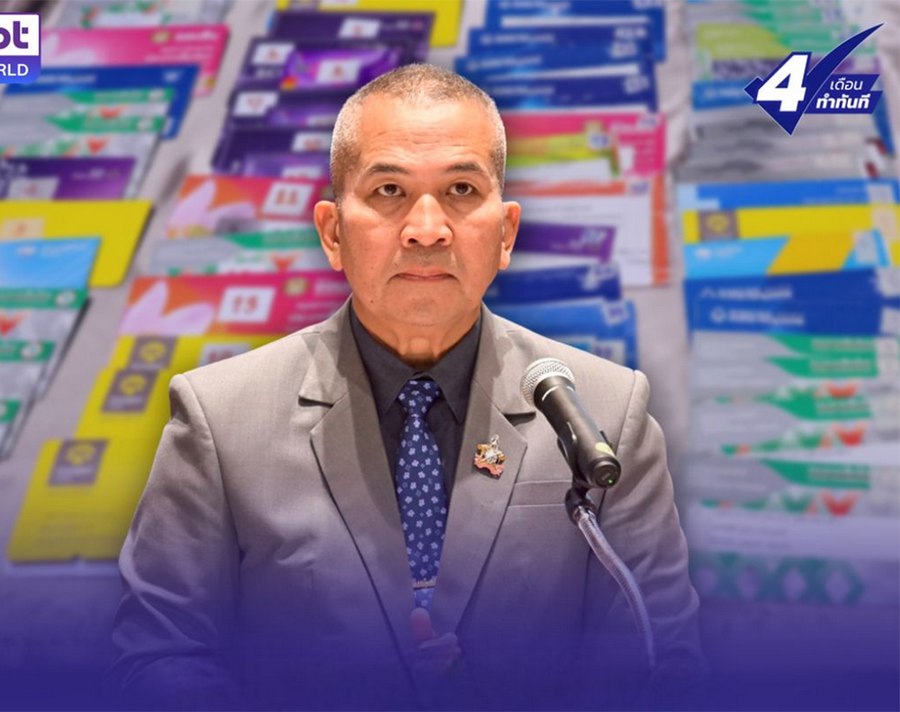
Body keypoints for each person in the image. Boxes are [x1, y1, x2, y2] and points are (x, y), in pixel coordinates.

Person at [108, 64, 705, 712]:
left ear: (505, 233)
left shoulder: (604, 414)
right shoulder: (221, 419)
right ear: (333, 232)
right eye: (389, 190)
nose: (427, 228)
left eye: (460, 189)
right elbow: (160, 657)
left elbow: (661, 661)